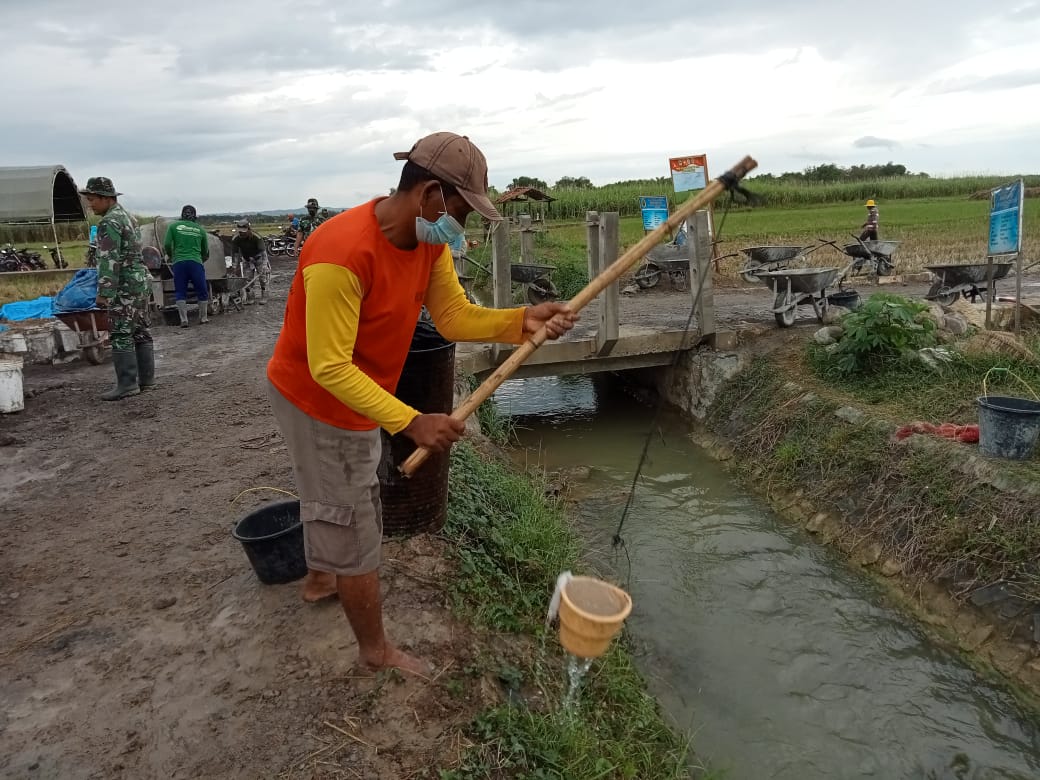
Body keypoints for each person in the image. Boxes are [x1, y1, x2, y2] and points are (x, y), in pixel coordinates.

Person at [266, 132, 578, 674]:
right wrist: (411, 421)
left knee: (337, 492)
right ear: (431, 194)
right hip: (318, 400)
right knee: (354, 514)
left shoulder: (428, 241)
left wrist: (517, 321)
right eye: (463, 209)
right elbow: (330, 367)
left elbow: (453, 316)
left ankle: (320, 579)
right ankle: (375, 653)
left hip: (360, 392)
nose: (466, 223)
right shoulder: (340, 253)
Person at [79, 176, 155, 399]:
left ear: (105, 198)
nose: (90, 204)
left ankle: (127, 384)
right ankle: (147, 380)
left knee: (122, 332)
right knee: (140, 330)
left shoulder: (109, 222)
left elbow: (109, 259)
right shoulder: (128, 217)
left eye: (92, 199)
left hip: (124, 286)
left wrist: (104, 292)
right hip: (140, 281)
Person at [163, 205, 210, 327]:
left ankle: (184, 320)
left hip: (179, 263)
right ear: (194, 216)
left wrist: (172, 255)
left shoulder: (173, 226)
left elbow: (167, 244)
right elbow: (206, 251)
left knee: (180, 291)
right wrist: (201, 259)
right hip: (196, 262)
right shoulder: (200, 230)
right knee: (202, 290)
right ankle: (203, 318)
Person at [232, 219, 271, 305]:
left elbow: (264, 253)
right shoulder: (236, 239)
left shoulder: (256, 237)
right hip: (247, 260)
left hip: (259, 258)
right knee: (247, 280)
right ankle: (251, 298)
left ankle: (264, 297)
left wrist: (265, 265)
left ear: (249, 229)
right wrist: (234, 267)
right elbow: (235, 254)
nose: (242, 233)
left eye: (244, 232)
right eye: (240, 232)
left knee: (263, 278)